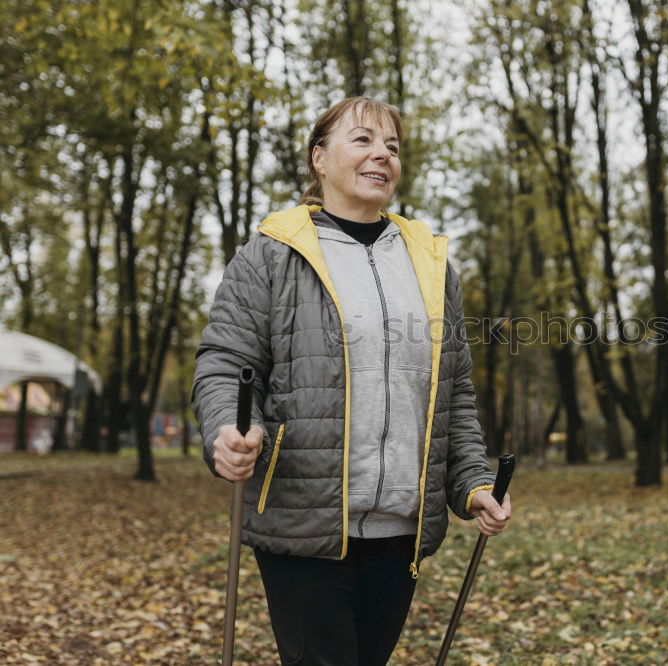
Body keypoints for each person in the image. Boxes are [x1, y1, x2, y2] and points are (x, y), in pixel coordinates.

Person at [191, 96, 513, 666]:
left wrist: (472, 484)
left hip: (398, 531)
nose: (381, 155)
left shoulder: (430, 265)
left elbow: (453, 393)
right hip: (302, 520)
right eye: (362, 140)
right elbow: (224, 361)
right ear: (319, 157)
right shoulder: (270, 254)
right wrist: (228, 428)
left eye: (392, 147)